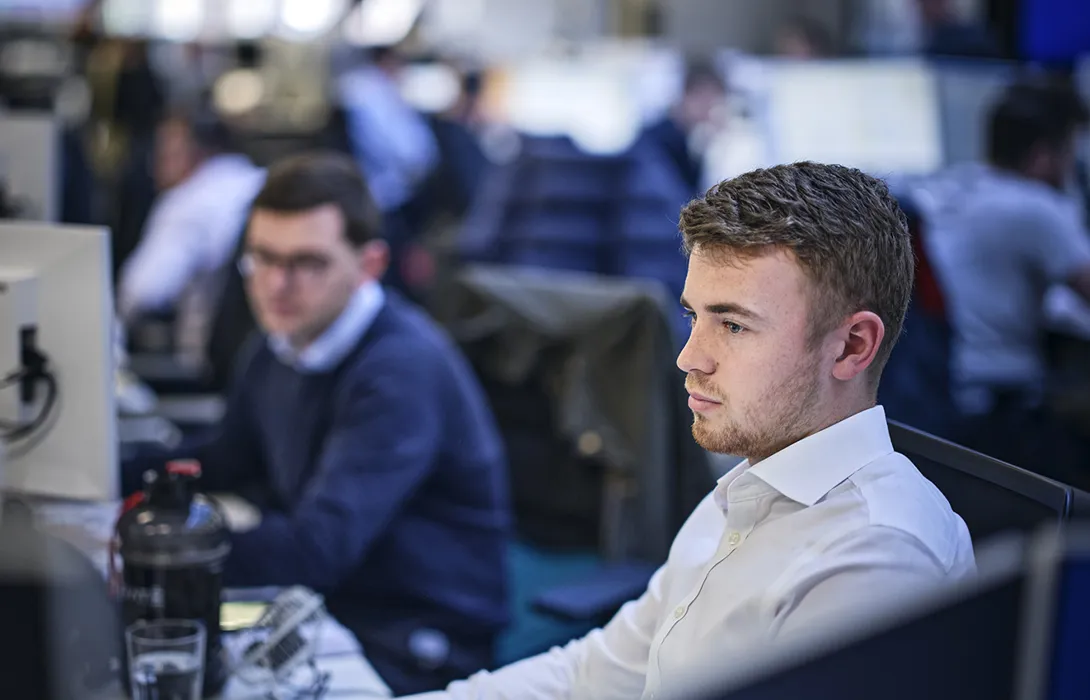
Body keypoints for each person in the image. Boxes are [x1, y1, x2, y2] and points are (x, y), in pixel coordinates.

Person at [404, 161, 975, 699]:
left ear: (851, 347)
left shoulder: (873, 559)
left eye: (733, 325)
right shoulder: (746, 490)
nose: (688, 357)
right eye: (692, 316)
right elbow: (595, 674)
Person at [134, 152, 511, 695]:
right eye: (262, 258)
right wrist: (106, 476)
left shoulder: (399, 372)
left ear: (370, 265)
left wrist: (156, 550)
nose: (276, 284)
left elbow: (315, 550)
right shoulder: (281, 341)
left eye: (307, 263)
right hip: (331, 605)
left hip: (417, 633)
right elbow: (226, 457)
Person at [924, 79, 1090, 484]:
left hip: (943, 397)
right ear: (1043, 155)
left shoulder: (958, 185)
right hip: (1000, 413)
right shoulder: (1035, 208)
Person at [117, 103, 265, 360]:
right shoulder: (259, 182)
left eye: (167, 151)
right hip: (266, 360)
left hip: (202, 364)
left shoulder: (188, 201)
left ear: (199, 152)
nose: (155, 163)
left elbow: (143, 292)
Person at [637, 60, 727, 197]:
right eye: (706, 100)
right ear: (688, 95)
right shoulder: (658, 140)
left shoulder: (686, 140)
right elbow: (679, 196)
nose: (709, 110)